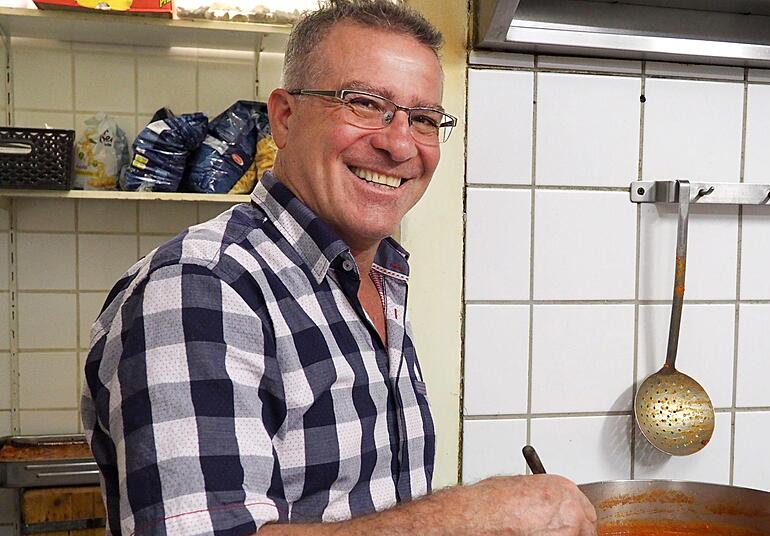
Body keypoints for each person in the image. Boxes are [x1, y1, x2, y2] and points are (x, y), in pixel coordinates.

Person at [81, 0, 596, 534]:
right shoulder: (201, 289)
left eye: (423, 119)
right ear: (284, 117)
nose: (399, 144)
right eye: (366, 104)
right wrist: (469, 518)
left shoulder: (377, 279)